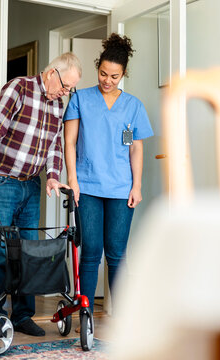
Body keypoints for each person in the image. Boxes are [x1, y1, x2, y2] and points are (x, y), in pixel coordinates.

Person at [0, 52, 82, 337]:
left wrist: (54, 176)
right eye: (65, 85)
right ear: (51, 72)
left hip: (31, 185)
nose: (65, 92)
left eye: (70, 89)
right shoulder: (18, 88)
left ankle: (22, 316)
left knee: (29, 252)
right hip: (2, 181)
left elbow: (55, 144)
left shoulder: (58, 103)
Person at [63, 33, 153, 317]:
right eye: (103, 73)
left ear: (123, 74)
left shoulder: (133, 106)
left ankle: (124, 321)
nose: (107, 80)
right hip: (87, 186)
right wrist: (73, 181)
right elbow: (69, 142)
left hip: (120, 188)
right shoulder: (80, 99)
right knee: (91, 252)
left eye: (114, 76)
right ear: (97, 68)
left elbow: (136, 150)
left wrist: (136, 186)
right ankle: (85, 318)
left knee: (117, 254)